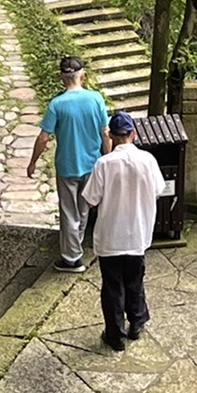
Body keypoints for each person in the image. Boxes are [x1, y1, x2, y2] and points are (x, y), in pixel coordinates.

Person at [80, 110, 162, 351]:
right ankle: (137, 322)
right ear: (133, 134)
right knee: (135, 280)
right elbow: (158, 189)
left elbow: (91, 199)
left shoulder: (104, 164)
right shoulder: (148, 160)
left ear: (112, 136)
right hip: (138, 231)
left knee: (112, 285)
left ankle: (115, 334)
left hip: (111, 234)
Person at [27, 55, 110, 271]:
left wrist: (33, 162)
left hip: (67, 166)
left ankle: (72, 258)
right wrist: (107, 160)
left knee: (68, 212)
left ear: (61, 78)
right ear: (83, 76)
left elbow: (44, 137)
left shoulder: (57, 104)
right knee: (83, 210)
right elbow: (106, 133)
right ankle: (76, 247)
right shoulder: (96, 99)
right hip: (92, 164)